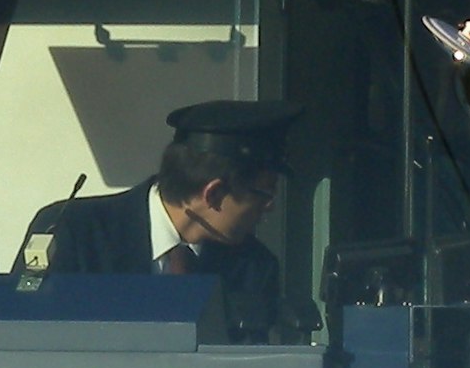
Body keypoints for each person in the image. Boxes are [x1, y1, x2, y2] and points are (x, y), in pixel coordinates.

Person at [16, 101, 300, 342]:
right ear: (213, 193)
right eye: (264, 194)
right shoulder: (72, 231)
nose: (270, 207)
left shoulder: (255, 267)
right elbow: (20, 329)